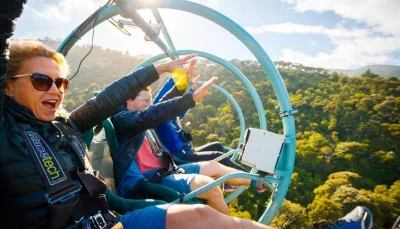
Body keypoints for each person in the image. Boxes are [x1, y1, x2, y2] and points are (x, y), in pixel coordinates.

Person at [0, 1, 276, 228]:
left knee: (200, 217)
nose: (55, 90)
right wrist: (186, 96)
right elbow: (148, 111)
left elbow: (105, 101)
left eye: (60, 82)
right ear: (8, 86)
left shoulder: (66, 127)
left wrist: (160, 70)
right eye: (41, 80)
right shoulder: (6, 130)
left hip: (105, 220)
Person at [111, 73, 270, 215]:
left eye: (150, 100)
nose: (149, 104)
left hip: (166, 169)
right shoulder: (125, 121)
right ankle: (226, 225)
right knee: (210, 186)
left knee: (214, 166)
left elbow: (162, 103)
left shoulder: (143, 120)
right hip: (152, 179)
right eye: (145, 100)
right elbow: (155, 110)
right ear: (129, 101)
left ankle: (257, 181)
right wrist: (189, 98)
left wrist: (182, 84)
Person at [153, 59, 248, 173]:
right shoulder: (158, 117)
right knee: (216, 155)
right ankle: (249, 177)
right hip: (181, 157)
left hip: (187, 151)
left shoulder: (171, 117)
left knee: (217, 146)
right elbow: (161, 99)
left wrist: (192, 89)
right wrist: (178, 78)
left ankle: (230, 181)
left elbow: (180, 108)